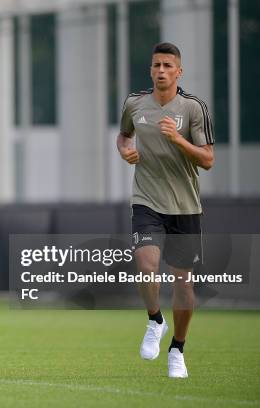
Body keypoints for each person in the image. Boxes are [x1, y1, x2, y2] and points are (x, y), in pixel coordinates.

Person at [117, 42, 214, 378]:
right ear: (150, 69)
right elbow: (124, 135)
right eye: (156, 65)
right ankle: (155, 320)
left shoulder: (192, 108)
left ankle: (177, 348)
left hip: (185, 207)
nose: (161, 70)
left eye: (167, 66)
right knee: (146, 264)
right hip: (147, 199)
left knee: (184, 286)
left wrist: (178, 140)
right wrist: (125, 150)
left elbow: (208, 160)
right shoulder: (134, 103)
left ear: (179, 72)